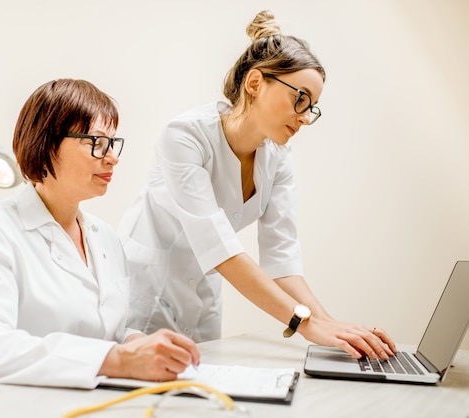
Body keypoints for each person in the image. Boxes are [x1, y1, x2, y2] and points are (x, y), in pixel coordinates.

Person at [118, 11, 397, 360]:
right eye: (300, 99)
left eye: (312, 108)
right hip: (147, 290)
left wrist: (330, 324)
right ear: (254, 83)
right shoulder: (184, 136)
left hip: (203, 296)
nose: (305, 117)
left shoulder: (278, 155)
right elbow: (218, 245)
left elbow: (281, 256)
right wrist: (306, 325)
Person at [0, 79, 199, 390]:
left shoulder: (104, 238)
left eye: (113, 143)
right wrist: (117, 360)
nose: (112, 157)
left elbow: (103, 334)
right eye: (97, 142)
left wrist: (138, 342)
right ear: (46, 143)